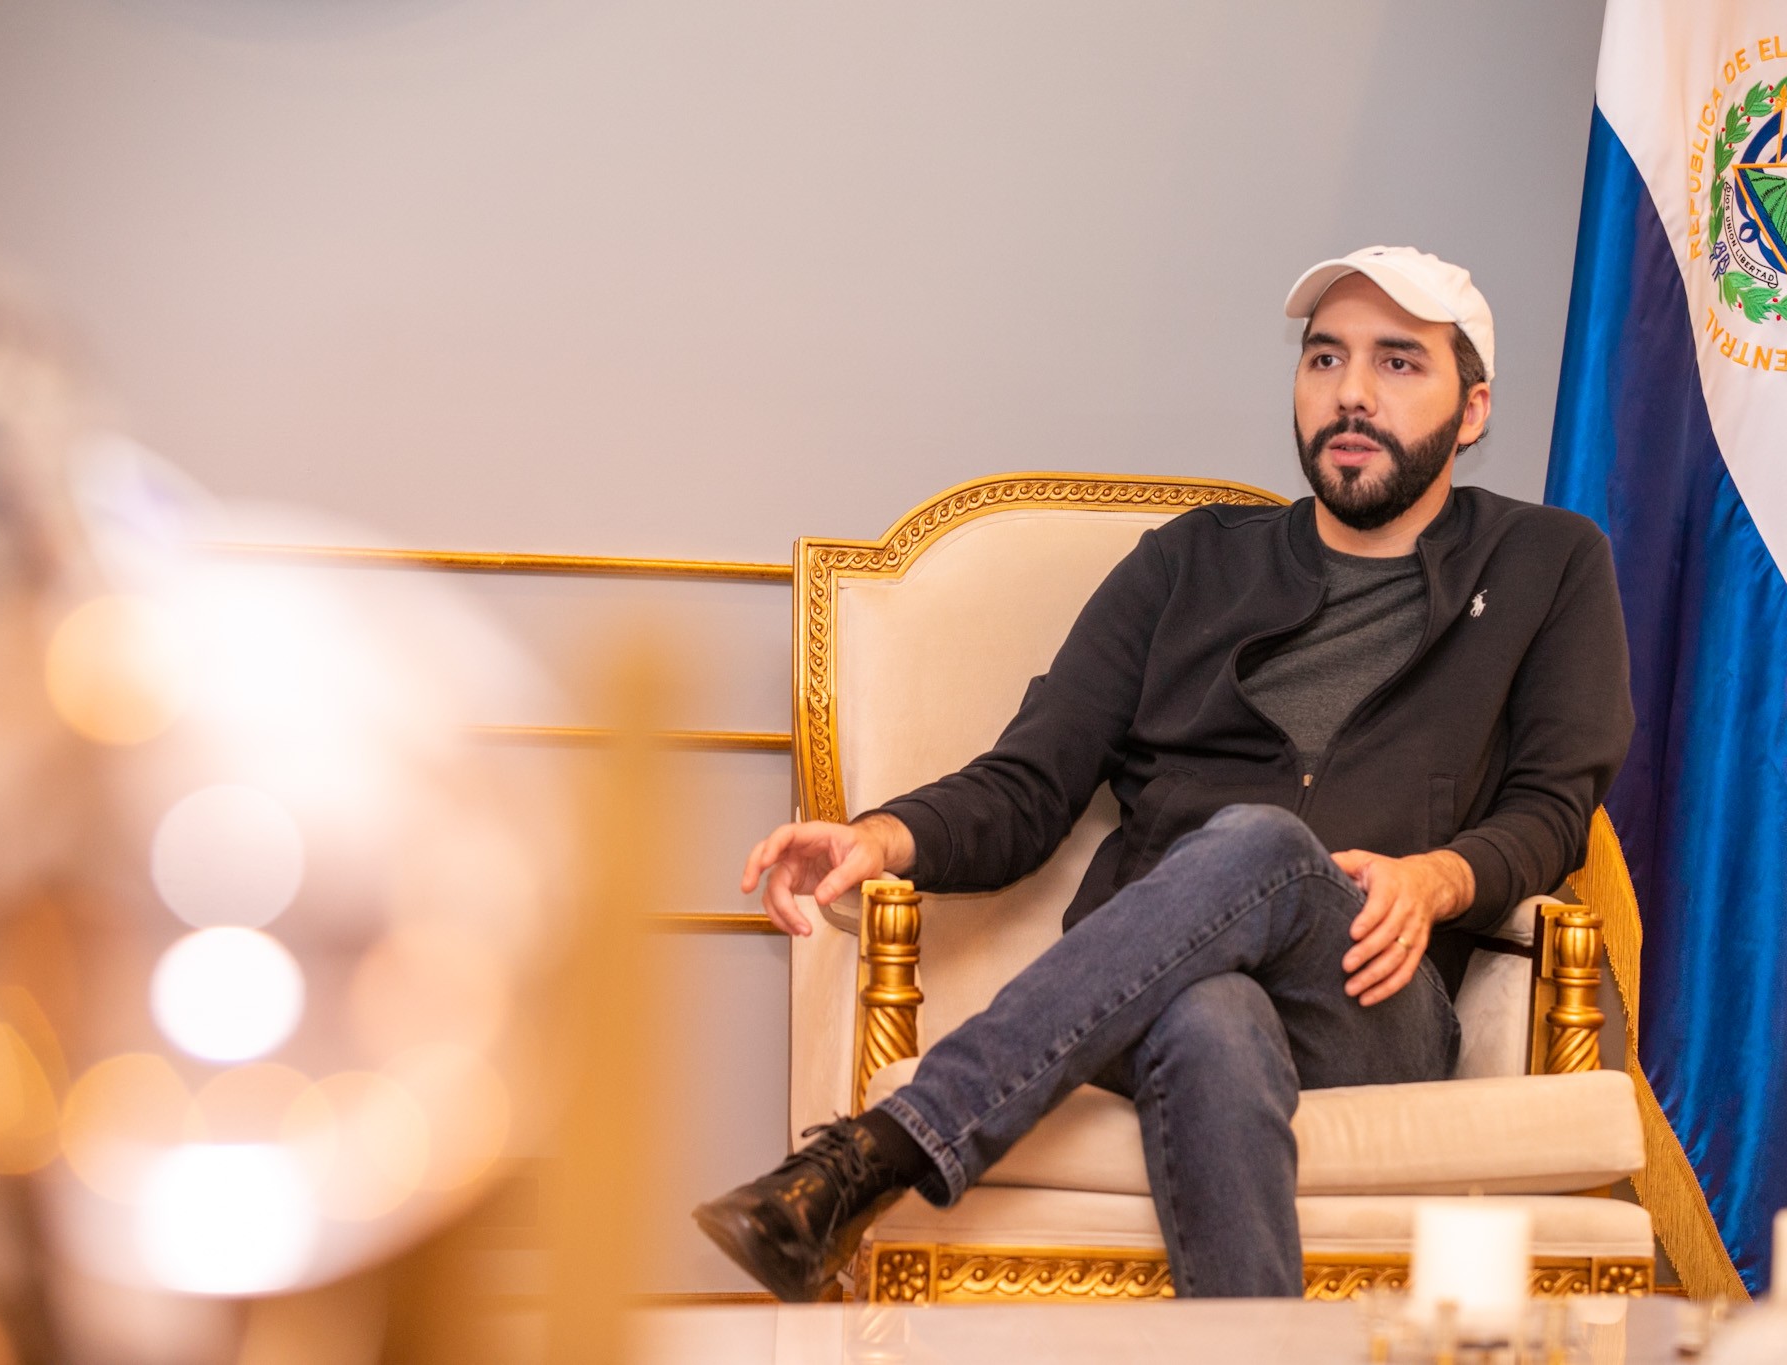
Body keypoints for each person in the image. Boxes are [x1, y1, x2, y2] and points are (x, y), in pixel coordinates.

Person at [695, 245, 1633, 1300]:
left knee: (1265, 844)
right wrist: (878, 835)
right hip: (1148, 993)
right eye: (1324, 358)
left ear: (1471, 411)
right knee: (1208, 1016)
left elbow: (1553, 805)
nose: (1352, 393)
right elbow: (1031, 781)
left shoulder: (1547, 562)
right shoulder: (1189, 563)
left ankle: (886, 1148)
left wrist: (1439, 879)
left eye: (1398, 362)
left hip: (1372, 993)